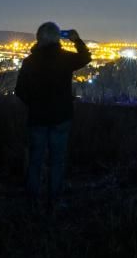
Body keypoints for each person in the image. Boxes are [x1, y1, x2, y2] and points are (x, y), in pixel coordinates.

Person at [13, 22, 91, 209]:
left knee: (35, 160)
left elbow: (20, 90)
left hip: (37, 118)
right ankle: (54, 200)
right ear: (57, 38)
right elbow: (85, 57)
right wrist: (77, 40)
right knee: (57, 160)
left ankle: (32, 200)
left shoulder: (30, 62)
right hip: (61, 116)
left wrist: (33, 104)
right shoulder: (64, 59)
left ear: (39, 39)